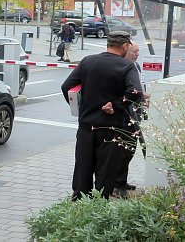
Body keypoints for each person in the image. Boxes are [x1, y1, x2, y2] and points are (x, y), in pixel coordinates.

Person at [61, 31, 143, 200]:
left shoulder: (88, 61)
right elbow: (135, 91)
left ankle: (78, 208)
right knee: (105, 176)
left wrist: (81, 107)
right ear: (125, 46)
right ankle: (98, 208)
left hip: (86, 127)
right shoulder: (126, 66)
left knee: (83, 171)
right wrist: (116, 104)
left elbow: (66, 86)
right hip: (112, 129)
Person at [115, 41, 150, 197]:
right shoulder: (121, 68)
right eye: (134, 51)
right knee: (123, 150)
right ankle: (117, 184)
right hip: (124, 114)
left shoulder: (136, 66)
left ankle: (122, 180)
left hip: (135, 114)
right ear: (126, 51)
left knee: (130, 149)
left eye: (138, 51)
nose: (137, 54)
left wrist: (143, 100)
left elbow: (139, 87)